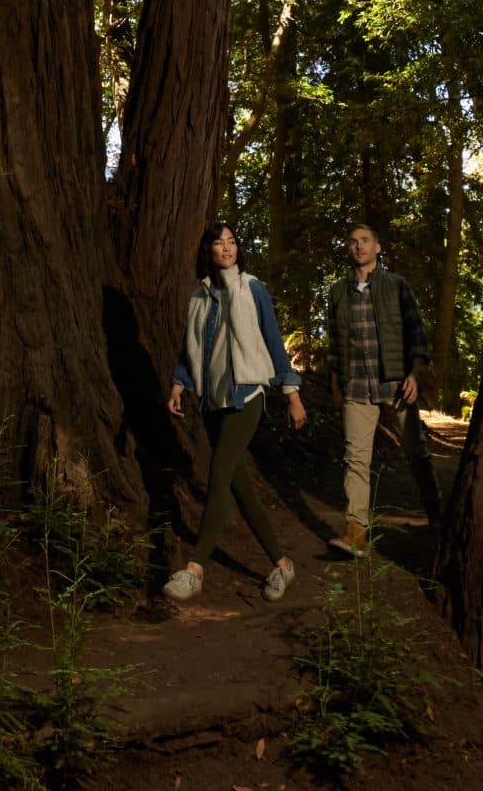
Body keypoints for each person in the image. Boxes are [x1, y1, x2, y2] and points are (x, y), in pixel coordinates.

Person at [164, 222, 307, 603]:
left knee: (218, 477)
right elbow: (190, 346)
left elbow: (273, 341)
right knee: (241, 488)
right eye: (218, 243)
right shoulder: (199, 295)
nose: (226, 248)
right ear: (208, 250)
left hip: (246, 396)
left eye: (231, 242)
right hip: (213, 401)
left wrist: (291, 394)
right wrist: (179, 383)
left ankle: (195, 569)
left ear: (237, 249)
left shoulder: (252, 288)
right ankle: (282, 564)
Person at [320, 223, 445, 556]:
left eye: (365, 241)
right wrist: (335, 384)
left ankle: (437, 514)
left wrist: (414, 374)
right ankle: (356, 532)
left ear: (378, 247)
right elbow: (334, 344)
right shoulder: (337, 292)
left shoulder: (397, 285)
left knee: (416, 452)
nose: (358, 246)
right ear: (348, 249)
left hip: (396, 383)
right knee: (355, 460)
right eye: (353, 241)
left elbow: (416, 333)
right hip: (356, 385)